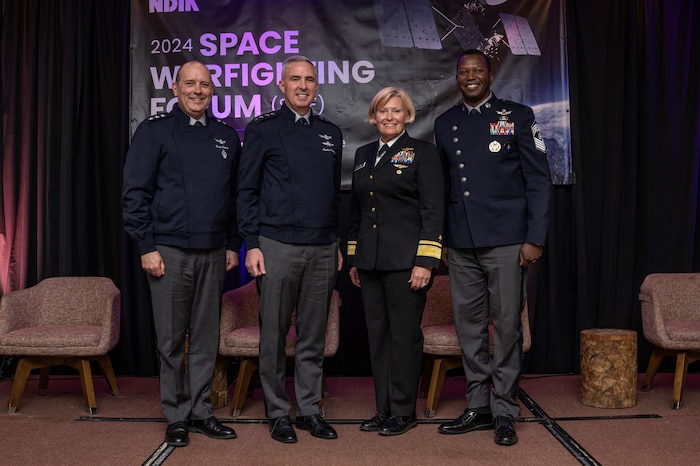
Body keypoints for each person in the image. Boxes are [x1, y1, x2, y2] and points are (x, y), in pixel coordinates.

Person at [433, 49, 552, 446]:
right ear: (456, 77)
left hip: (506, 240)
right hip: (462, 242)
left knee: (505, 328)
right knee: (468, 330)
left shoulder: (518, 117)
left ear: (490, 74)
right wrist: (445, 241)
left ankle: (503, 409)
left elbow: (538, 180)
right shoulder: (445, 123)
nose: (470, 77)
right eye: (463, 71)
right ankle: (477, 405)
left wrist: (534, 238)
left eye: (477, 71)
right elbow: (447, 189)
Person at [122, 61, 240, 447]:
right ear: (175, 89)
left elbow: (233, 198)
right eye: (189, 84)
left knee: (206, 338)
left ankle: (201, 411)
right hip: (167, 252)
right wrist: (146, 246)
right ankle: (175, 415)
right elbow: (135, 194)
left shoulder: (226, 136)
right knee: (171, 340)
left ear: (212, 90)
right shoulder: (153, 132)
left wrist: (230, 244)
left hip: (212, 252)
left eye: (204, 85)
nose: (197, 90)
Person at [237, 55, 343, 444]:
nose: (302, 85)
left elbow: (333, 193)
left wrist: (333, 241)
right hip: (276, 246)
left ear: (317, 87)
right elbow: (246, 191)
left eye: (309, 79)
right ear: (281, 86)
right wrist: (251, 244)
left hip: (321, 248)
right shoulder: (262, 130)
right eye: (295, 79)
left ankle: (310, 410)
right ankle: (278, 412)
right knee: (275, 334)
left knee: (312, 334)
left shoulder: (331, 133)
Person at [347, 87, 444, 436]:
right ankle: (383, 408)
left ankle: (404, 412)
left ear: (407, 116)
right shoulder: (362, 154)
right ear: (373, 117)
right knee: (379, 338)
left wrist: (426, 261)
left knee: (404, 337)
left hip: (406, 263)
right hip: (370, 263)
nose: (389, 117)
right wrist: (356, 258)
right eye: (382, 111)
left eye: (396, 111)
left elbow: (433, 213)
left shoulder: (423, 153)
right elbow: (357, 211)